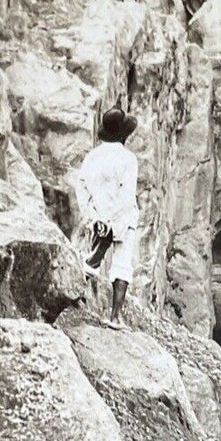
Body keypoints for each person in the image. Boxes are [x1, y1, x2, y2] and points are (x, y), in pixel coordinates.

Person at [72, 108, 139, 330]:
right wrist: (110, 221)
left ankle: (72, 301)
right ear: (123, 134)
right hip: (121, 219)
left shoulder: (93, 156)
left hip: (98, 218)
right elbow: (127, 196)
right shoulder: (128, 159)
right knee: (122, 264)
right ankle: (115, 316)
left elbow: (81, 186)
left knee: (93, 260)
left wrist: (94, 217)